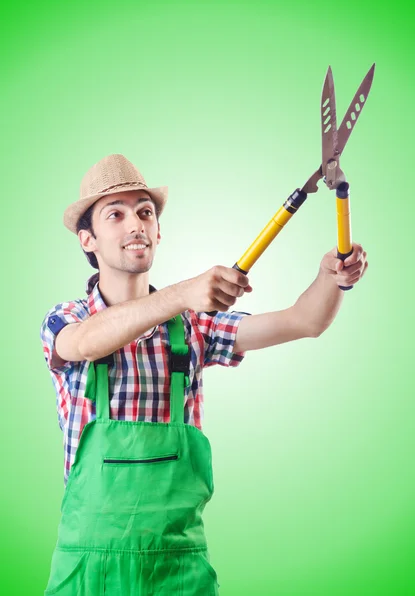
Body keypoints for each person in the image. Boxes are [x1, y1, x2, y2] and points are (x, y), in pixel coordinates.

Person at [40, 153, 368, 595]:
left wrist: (334, 279)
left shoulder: (194, 328)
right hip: (87, 570)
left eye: (145, 211)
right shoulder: (66, 319)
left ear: (158, 231)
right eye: (114, 214)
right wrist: (185, 292)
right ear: (88, 240)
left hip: (179, 569)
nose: (135, 223)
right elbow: (83, 344)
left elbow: (304, 321)